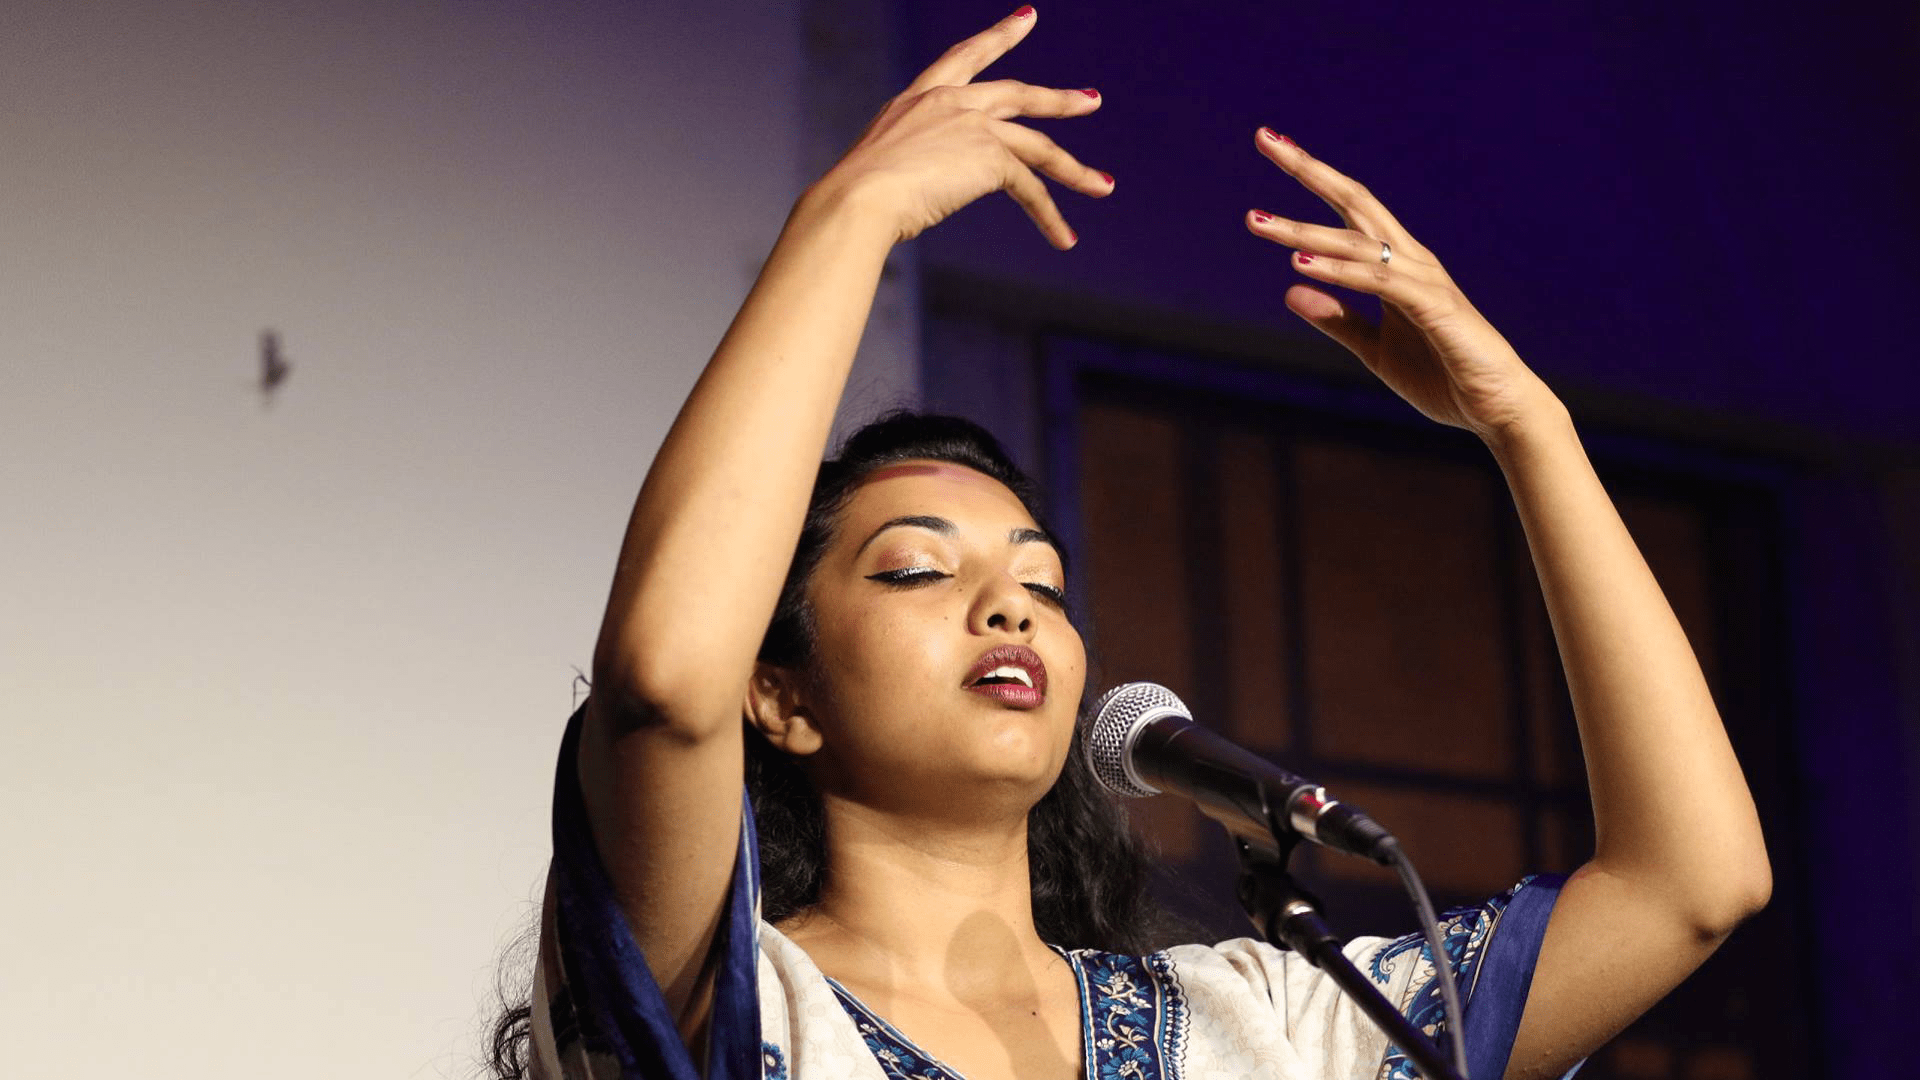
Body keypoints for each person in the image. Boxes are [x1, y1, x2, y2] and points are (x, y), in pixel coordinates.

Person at [490, 7, 1772, 1078]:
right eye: (920, 569)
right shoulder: (726, 999)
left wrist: (1529, 431)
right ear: (780, 693)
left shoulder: (1264, 1021)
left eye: (1042, 584)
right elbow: (663, 682)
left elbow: (1688, 885)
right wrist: (851, 216)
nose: (1011, 611)